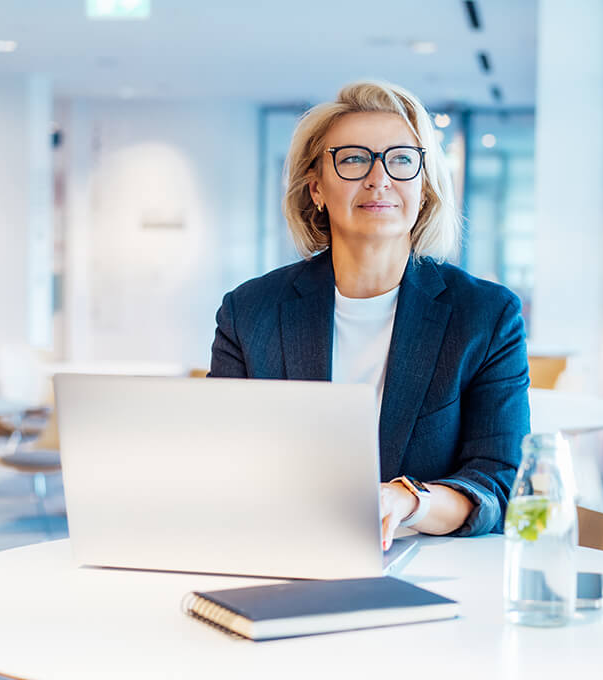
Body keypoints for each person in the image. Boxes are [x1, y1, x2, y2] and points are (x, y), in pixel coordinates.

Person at [210, 80, 529, 550]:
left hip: (433, 569)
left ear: (423, 187)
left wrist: (409, 500)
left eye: (401, 160)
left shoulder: (486, 316)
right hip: (282, 554)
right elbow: (221, 462)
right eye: (354, 159)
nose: (379, 178)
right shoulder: (250, 312)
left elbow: (499, 481)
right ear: (316, 187)